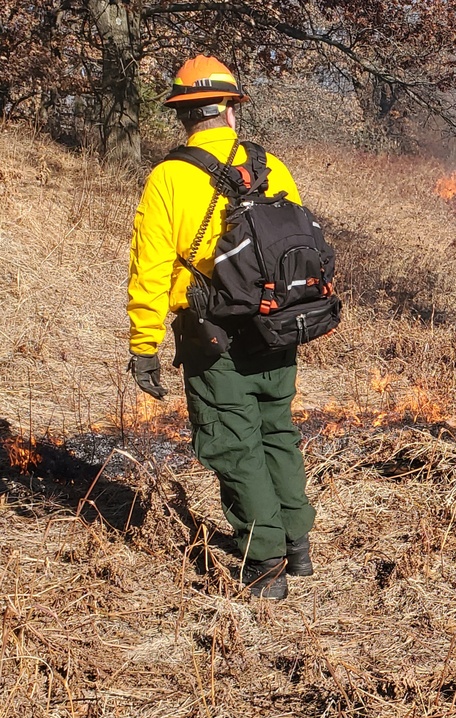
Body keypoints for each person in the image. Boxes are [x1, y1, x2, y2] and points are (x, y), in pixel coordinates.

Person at [126, 55, 315, 600]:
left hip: (213, 336)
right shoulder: (271, 166)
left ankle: (264, 565)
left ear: (183, 114)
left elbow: (151, 267)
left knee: (232, 443)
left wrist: (145, 346)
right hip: (278, 326)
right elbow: (295, 250)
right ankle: (297, 545)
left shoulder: (169, 177)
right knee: (276, 429)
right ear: (231, 109)